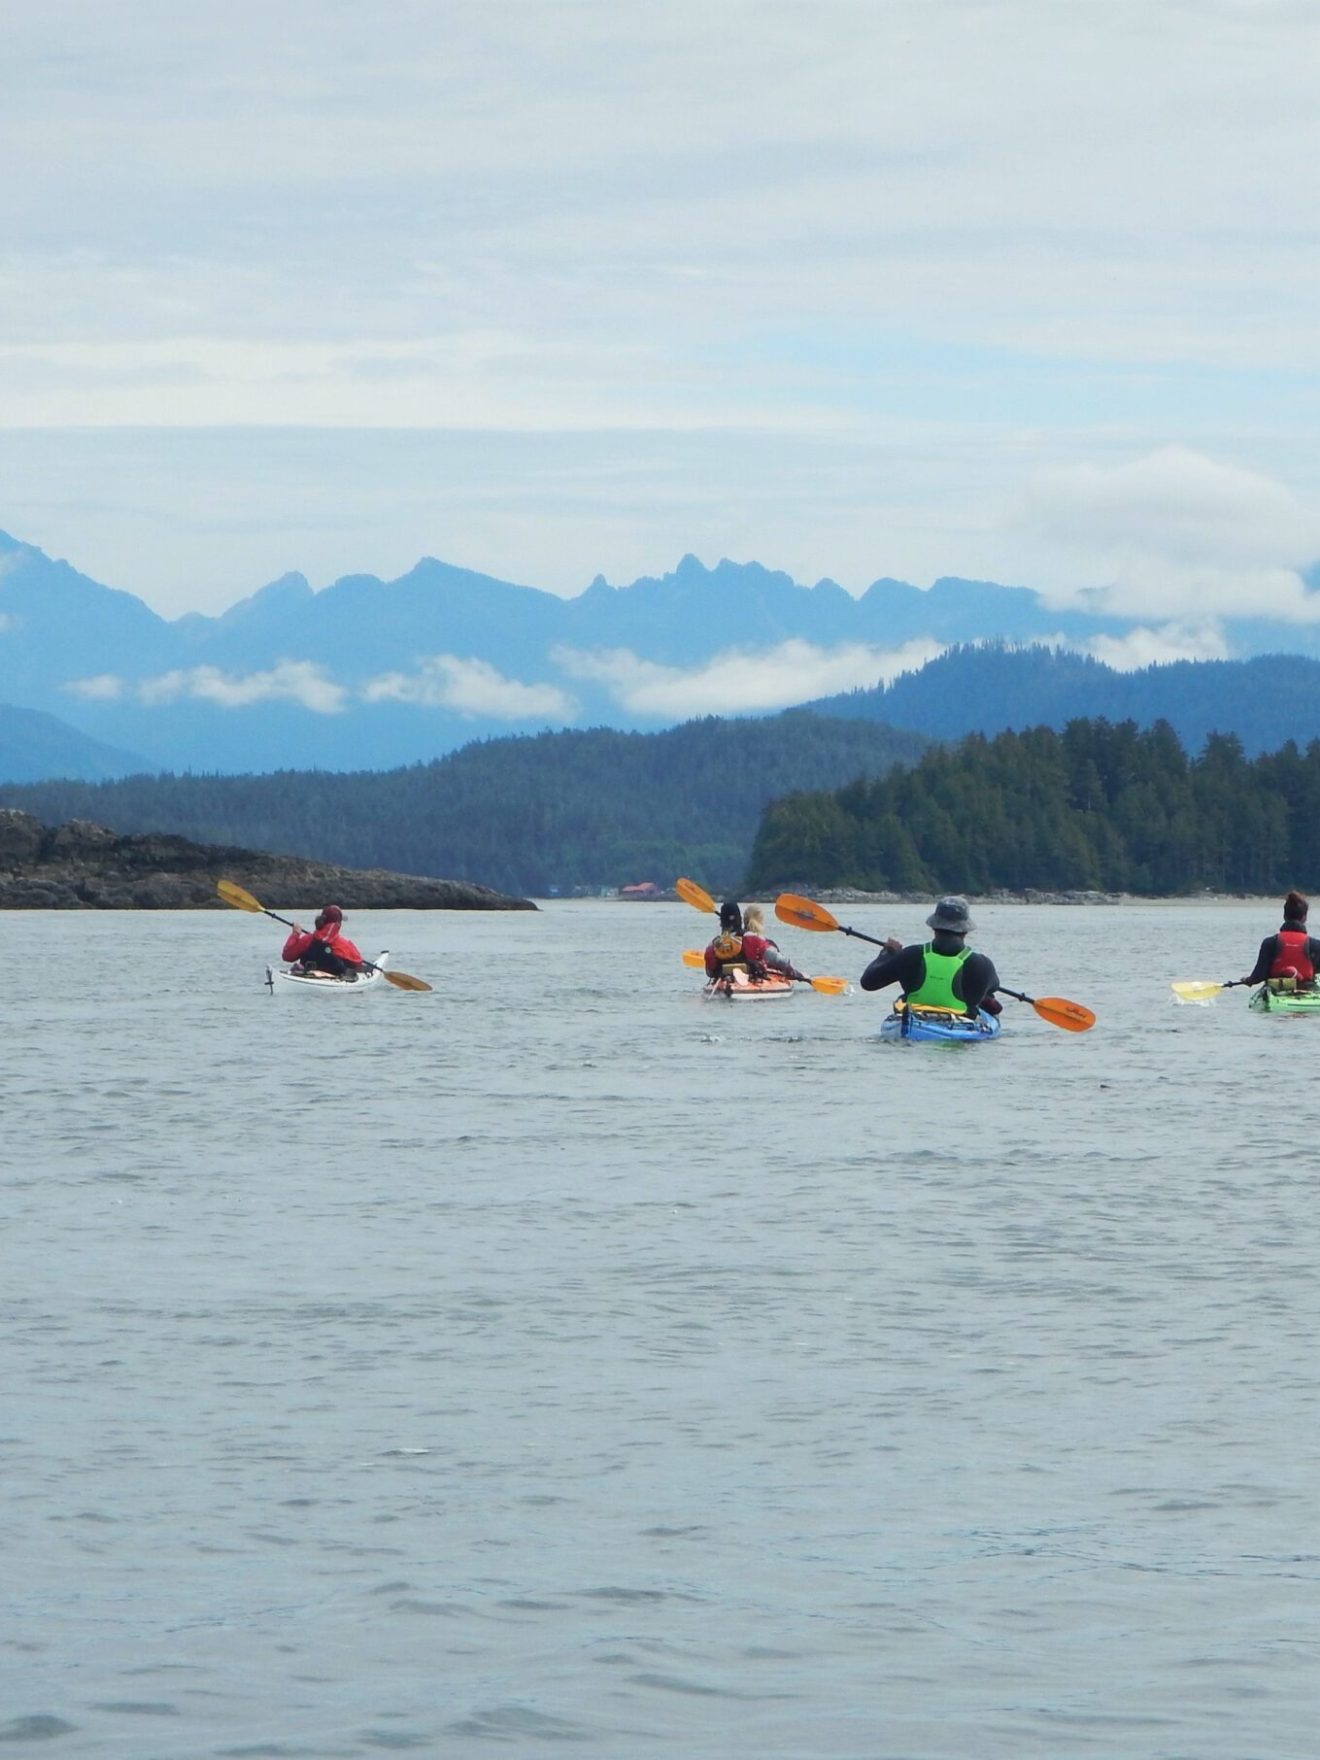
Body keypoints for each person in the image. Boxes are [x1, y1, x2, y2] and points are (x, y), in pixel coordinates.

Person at [859, 895, 1001, 1017]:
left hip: (914, 1021)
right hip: (961, 1029)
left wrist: (887, 954)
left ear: (934, 926)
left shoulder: (910, 955)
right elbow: (994, 986)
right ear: (965, 930)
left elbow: (868, 983)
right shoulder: (981, 964)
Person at [1241, 890, 1320, 990]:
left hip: (1277, 989)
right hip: (1306, 989)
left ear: (1284, 916)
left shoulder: (1270, 942)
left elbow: (1259, 976)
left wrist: (1248, 980)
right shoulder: (1316, 945)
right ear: (1304, 918)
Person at [281, 904, 365, 978]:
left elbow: (287, 956)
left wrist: (295, 934)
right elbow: (358, 963)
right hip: (333, 980)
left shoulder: (306, 940)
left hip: (307, 976)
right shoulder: (344, 945)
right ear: (338, 924)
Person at [741, 904, 808, 982]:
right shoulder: (758, 940)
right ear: (760, 920)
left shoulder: (739, 938)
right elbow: (776, 959)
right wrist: (790, 968)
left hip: (745, 973)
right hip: (758, 974)